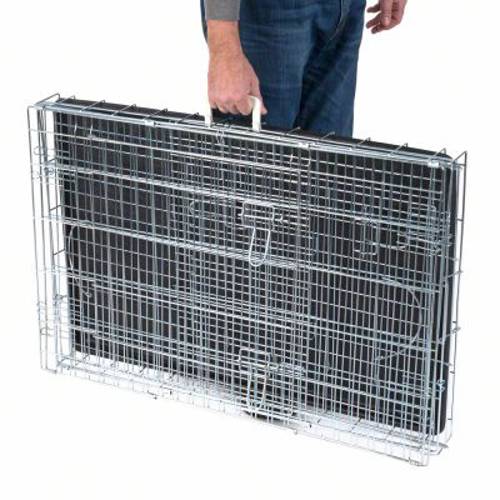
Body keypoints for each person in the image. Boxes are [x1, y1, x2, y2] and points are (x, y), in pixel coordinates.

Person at [202, 0, 407, 137]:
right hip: (267, 12)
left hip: (347, 8)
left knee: (328, 175)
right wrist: (224, 46)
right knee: (256, 176)